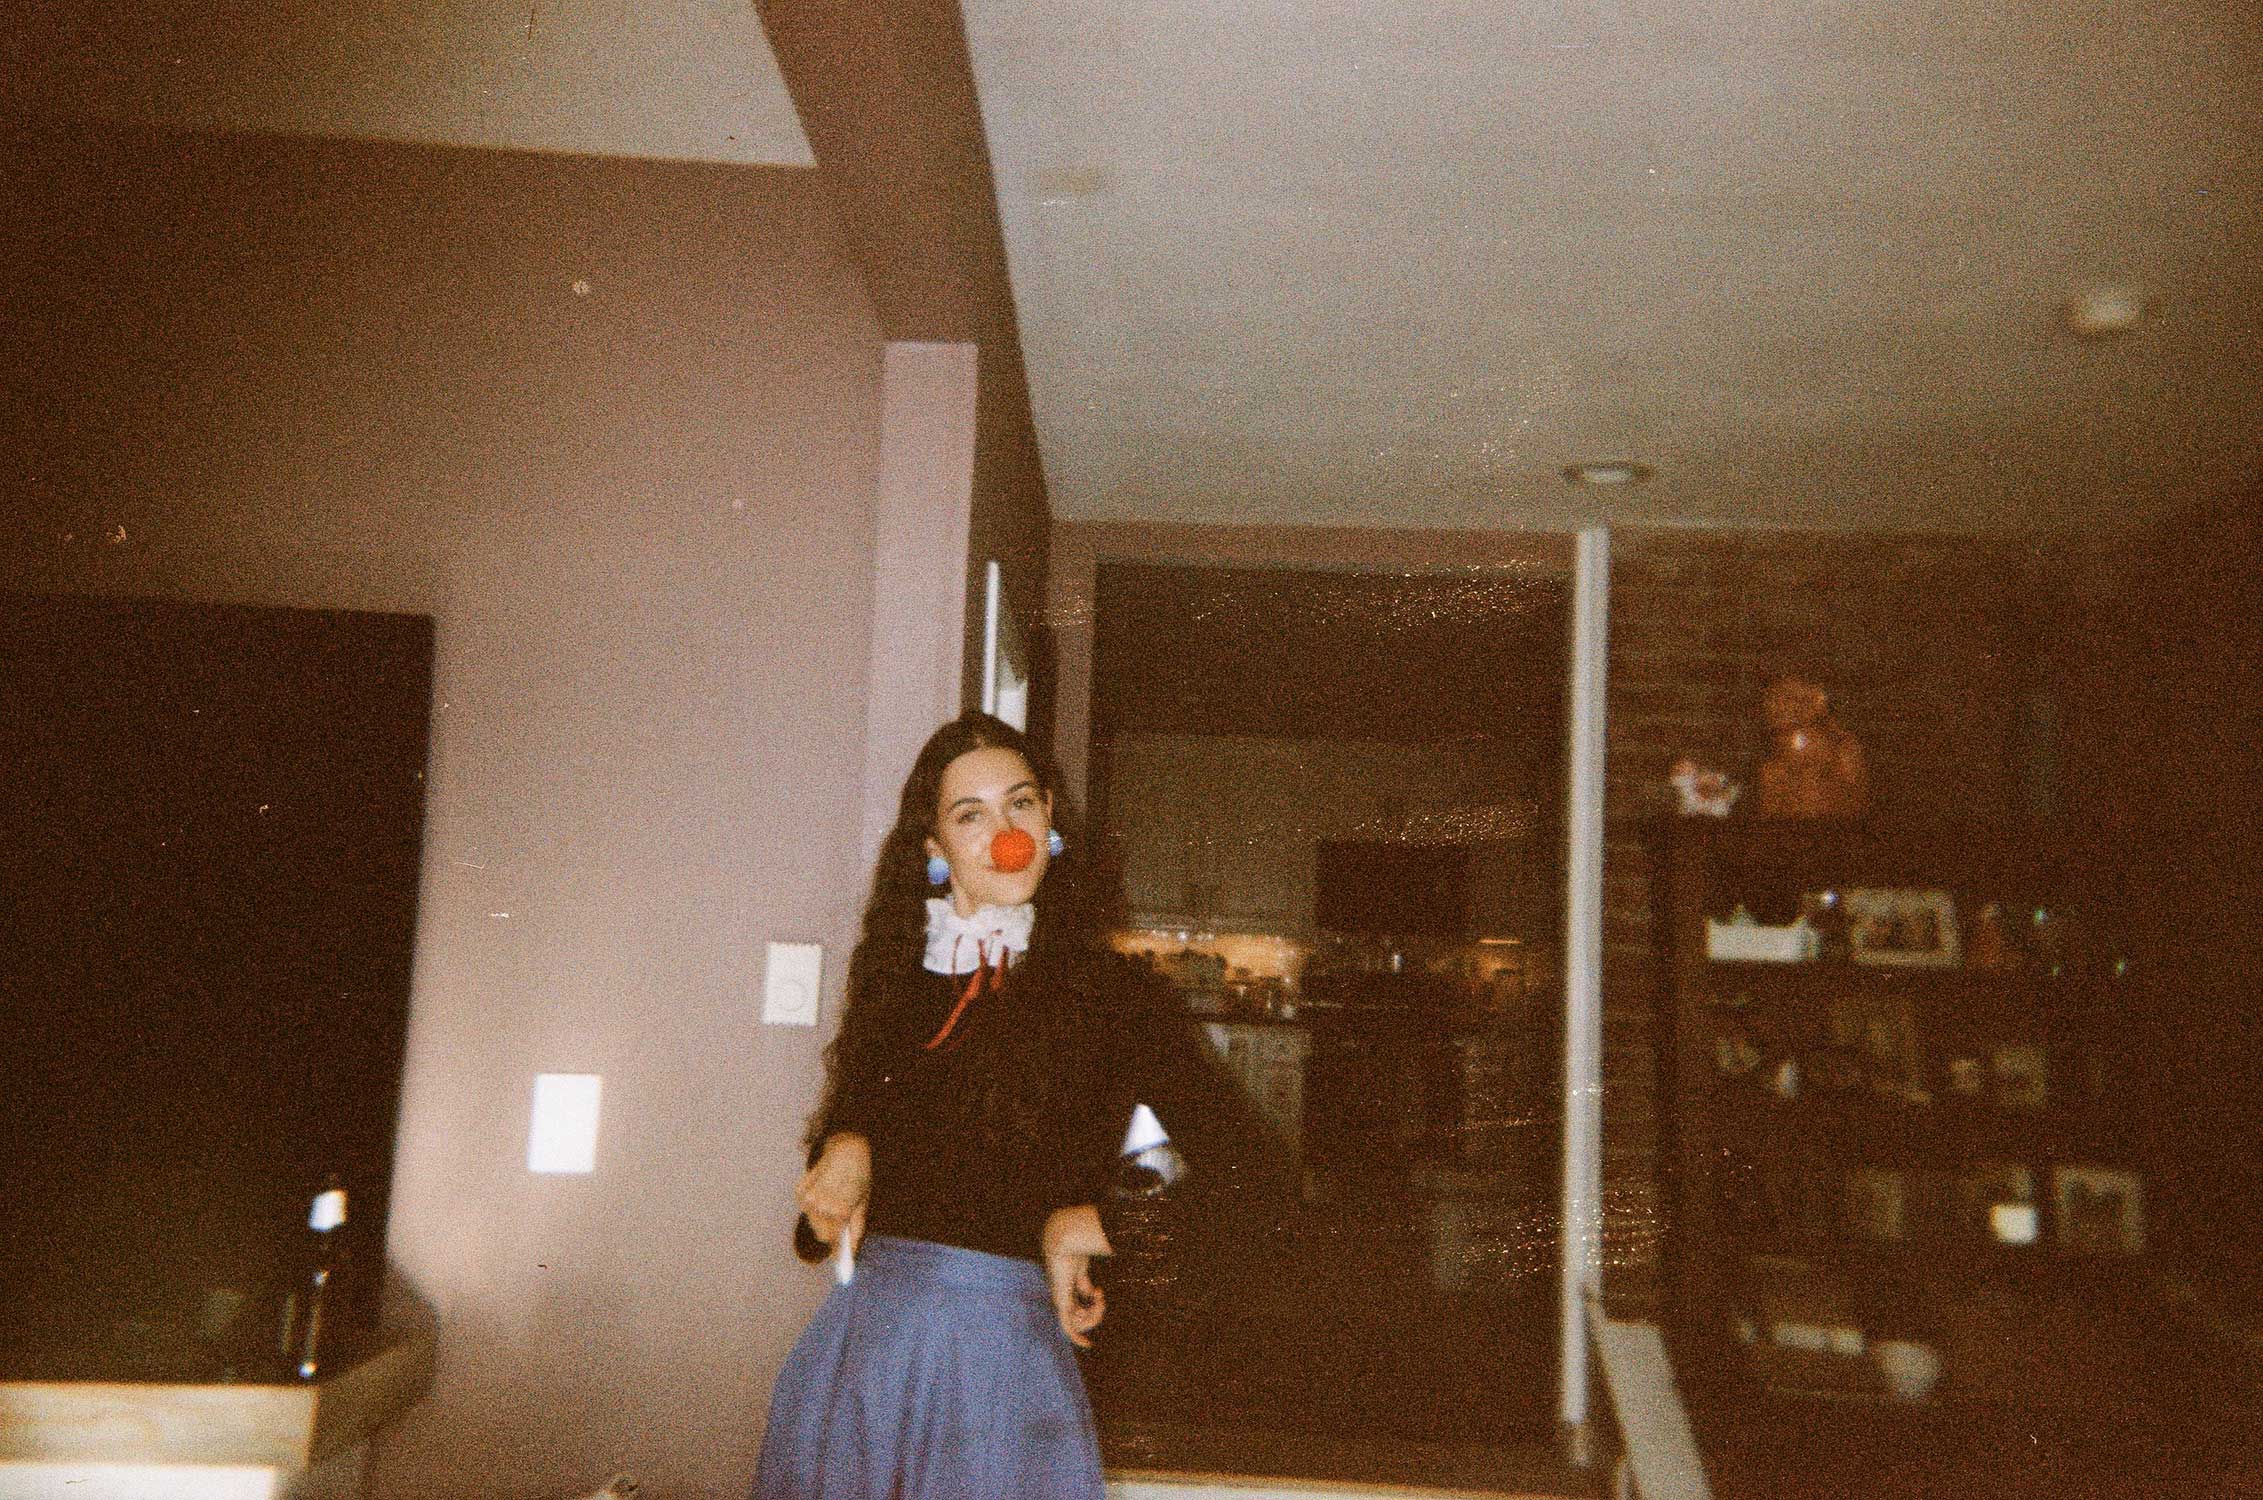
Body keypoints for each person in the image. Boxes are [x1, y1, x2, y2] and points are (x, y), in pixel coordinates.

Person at [754, 713, 1204, 1500]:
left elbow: (1234, 1173)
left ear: (1049, 819)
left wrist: (1085, 1225)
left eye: (1020, 803)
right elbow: (815, 1233)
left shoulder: (1114, 997)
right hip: (866, 1363)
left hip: (1002, 1370)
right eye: (971, 815)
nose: (1006, 835)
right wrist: (848, 1144)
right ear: (933, 847)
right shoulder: (895, 984)